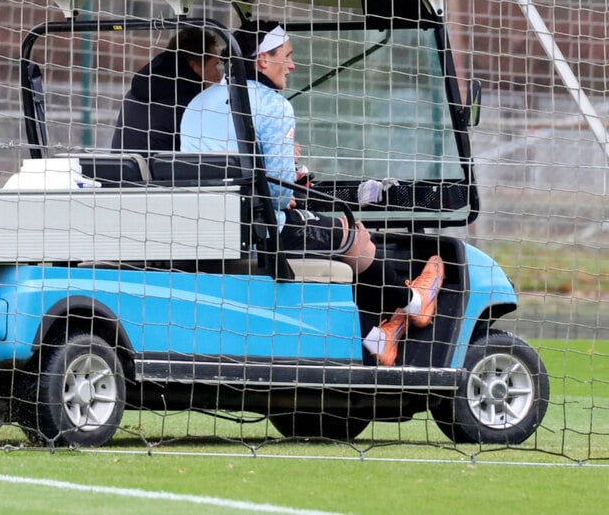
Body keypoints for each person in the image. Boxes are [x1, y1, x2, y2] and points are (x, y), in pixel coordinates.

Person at [179, 19, 445, 366]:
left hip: (208, 229)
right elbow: (277, 193)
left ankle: (378, 338)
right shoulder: (274, 106)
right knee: (353, 235)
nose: (291, 65)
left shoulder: (197, 103)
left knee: (327, 229)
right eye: (287, 56)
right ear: (262, 59)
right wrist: (286, 182)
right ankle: (415, 304)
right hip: (259, 231)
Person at [111, 27, 223, 155]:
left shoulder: (133, 94)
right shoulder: (193, 106)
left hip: (120, 167)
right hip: (166, 168)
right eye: (214, 66)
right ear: (194, 66)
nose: (218, 76)